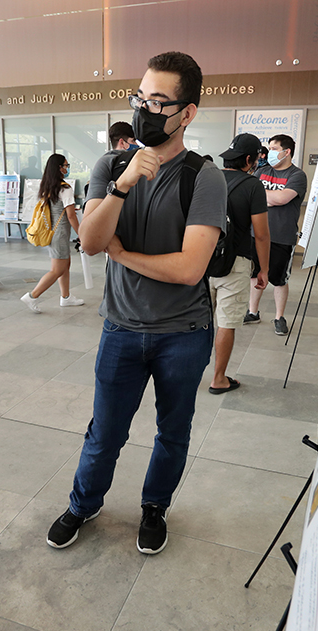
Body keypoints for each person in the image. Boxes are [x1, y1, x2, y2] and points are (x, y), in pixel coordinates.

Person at [46, 51, 226, 555]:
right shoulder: (110, 166)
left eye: (159, 101)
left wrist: (124, 253)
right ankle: (83, 503)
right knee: (104, 432)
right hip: (121, 329)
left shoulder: (203, 177)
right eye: (140, 98)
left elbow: (190, 268)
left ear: (187, 113)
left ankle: (154, 507)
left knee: (173, 431)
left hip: (183, 334)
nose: (147, 109)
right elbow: (91, 241)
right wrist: (122, 187)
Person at [208, 133, 269, 394]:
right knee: (226, 322)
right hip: (235, 262)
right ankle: (219, 378)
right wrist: (263, 269)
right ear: (248, 159)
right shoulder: (253, 186)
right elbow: (262, 233)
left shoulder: (209, 179)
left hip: (200, 261)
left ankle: (184, 373)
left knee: (197, 320)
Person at [246, 134, 307, 336]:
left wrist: (263, 197)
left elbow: (282, 198)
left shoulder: (297, 175)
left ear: (286, 151)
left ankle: (279, 317)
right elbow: (249, 195)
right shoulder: (261, 171)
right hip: (256, 234)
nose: (269, 152)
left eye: (273, 148)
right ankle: (253, 312)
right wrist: (270, 198)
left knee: (279, 279)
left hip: (281, 236)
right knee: (255, 275)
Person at [21, 154, 84, 312]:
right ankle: (32, 296)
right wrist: (82, 234)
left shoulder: (47, 186)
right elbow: (71, 215)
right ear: (58, 168)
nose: (67, 168)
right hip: (60, 234)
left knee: (65, 265)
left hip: (52, 232)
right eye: (65, 165)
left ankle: (66, 297)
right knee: (57, 269)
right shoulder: (65, 188)